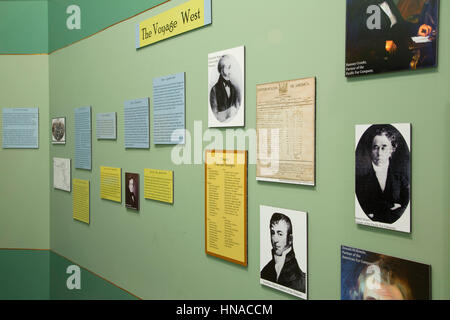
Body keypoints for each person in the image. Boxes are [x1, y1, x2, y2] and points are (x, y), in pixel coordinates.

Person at [346, 0, 436, 73]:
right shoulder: (357, 6)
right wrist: (382, 45)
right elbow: (353, 43)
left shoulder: (388, 2)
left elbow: (400, 25)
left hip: (401, 63)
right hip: (378, 68)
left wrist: (417, 28)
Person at [356, 126, 410, 224]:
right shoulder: (360, 181)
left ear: (391, 150)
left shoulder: (401, 178)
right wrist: (391, 207)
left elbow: (406, 208)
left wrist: (375, 212)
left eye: (384, 147)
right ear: (370, 151)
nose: (379, 152)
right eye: (375, 147)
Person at [261, 213, 306, 293]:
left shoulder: (302, 280)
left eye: (280, 234)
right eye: (272, 233)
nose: (275, 240)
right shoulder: (265, 271)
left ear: (290, 239)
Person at [209, 54, 241, 122]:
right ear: (222, 69)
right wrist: (229, 112)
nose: (231, 71)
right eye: (228, 67)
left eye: (231, 67)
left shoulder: (233, 89)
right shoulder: (214, 90)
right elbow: (215, 116)